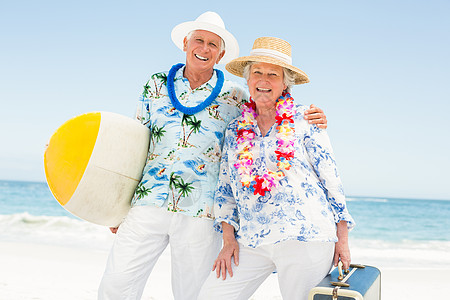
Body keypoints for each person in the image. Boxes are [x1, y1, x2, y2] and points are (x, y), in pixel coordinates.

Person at [98, 12, 328, 300]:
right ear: (185, 43)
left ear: (220, 55)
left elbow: (272, 116)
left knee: (192, 294)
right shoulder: (155, 84)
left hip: (201, 213)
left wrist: (312, 116)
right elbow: (136, 142)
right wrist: (117, 205)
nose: (204, 49)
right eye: (199, 41)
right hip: (148, 201)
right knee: (117, 282)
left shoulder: (236, 95)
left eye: (212, 45)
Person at [198, 37, 355, 300]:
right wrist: (228, 241)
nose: (264, 80)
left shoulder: (305, 119)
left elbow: (331, 180)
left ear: (285, 84)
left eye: (273, 74)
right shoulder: (236, 130)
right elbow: (225, 189)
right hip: (251, 239)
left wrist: (343, 239)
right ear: (248, 80)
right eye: (257, 72)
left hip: (306, 236)